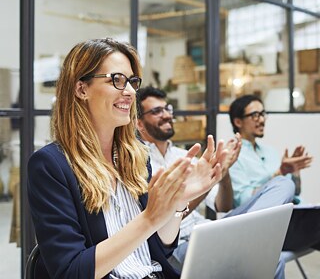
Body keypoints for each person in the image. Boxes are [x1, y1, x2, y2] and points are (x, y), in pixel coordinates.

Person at [27, 38, 227, 279]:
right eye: (117, 80)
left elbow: (161, 246)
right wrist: (149, 218)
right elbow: (71, 271)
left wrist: (178, 201)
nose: (131, 92)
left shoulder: (136, 155)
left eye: (132, 81)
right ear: (81, 89)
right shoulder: (50, 165)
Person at [136, 86, 294, 279]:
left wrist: (223, 172)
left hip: (208, 230)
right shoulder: (139, 164)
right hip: (177, 247)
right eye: (156, 111)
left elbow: (223, 205)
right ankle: (247, 238)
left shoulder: (187, 156)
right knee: (273, 261)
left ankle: (246, 234)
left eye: (167, 109)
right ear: (139, 124)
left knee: (283, 184)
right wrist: (206, 184)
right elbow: (160, 221)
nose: (166, 115)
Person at [228, 94, 320, 253]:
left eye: (263, 114)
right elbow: (245, 201)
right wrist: (280, 173)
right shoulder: (232, 155)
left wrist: (295, 172)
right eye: (255, 115)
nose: (262, 120)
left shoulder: (269, 152)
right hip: (262, 226)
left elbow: (295, 192)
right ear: (238, 122)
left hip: (291, 216)